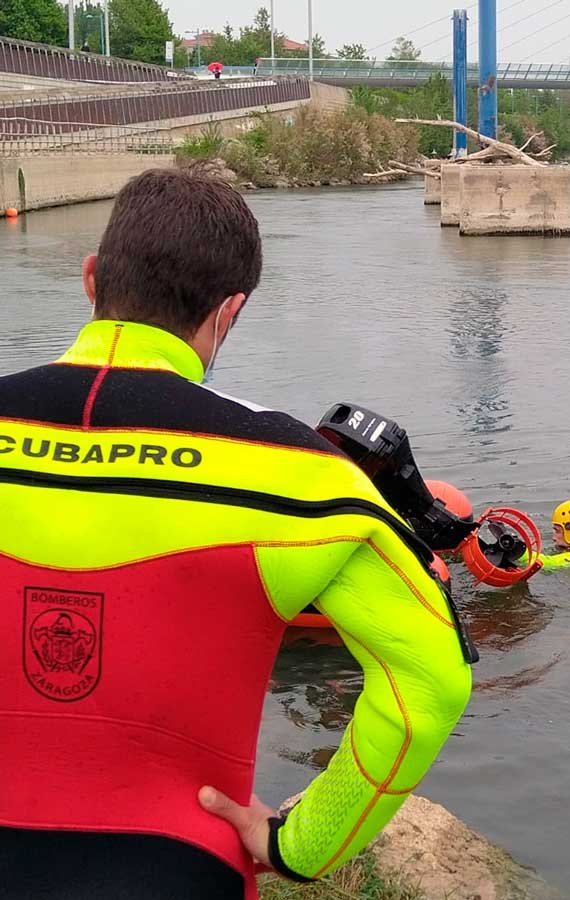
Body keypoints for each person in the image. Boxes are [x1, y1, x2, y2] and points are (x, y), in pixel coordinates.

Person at [0, 169, 473, 898]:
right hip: (177, 869)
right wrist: (303, 844)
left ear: (91, 279)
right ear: (230, 311)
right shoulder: (305, 476)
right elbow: (432, 681)